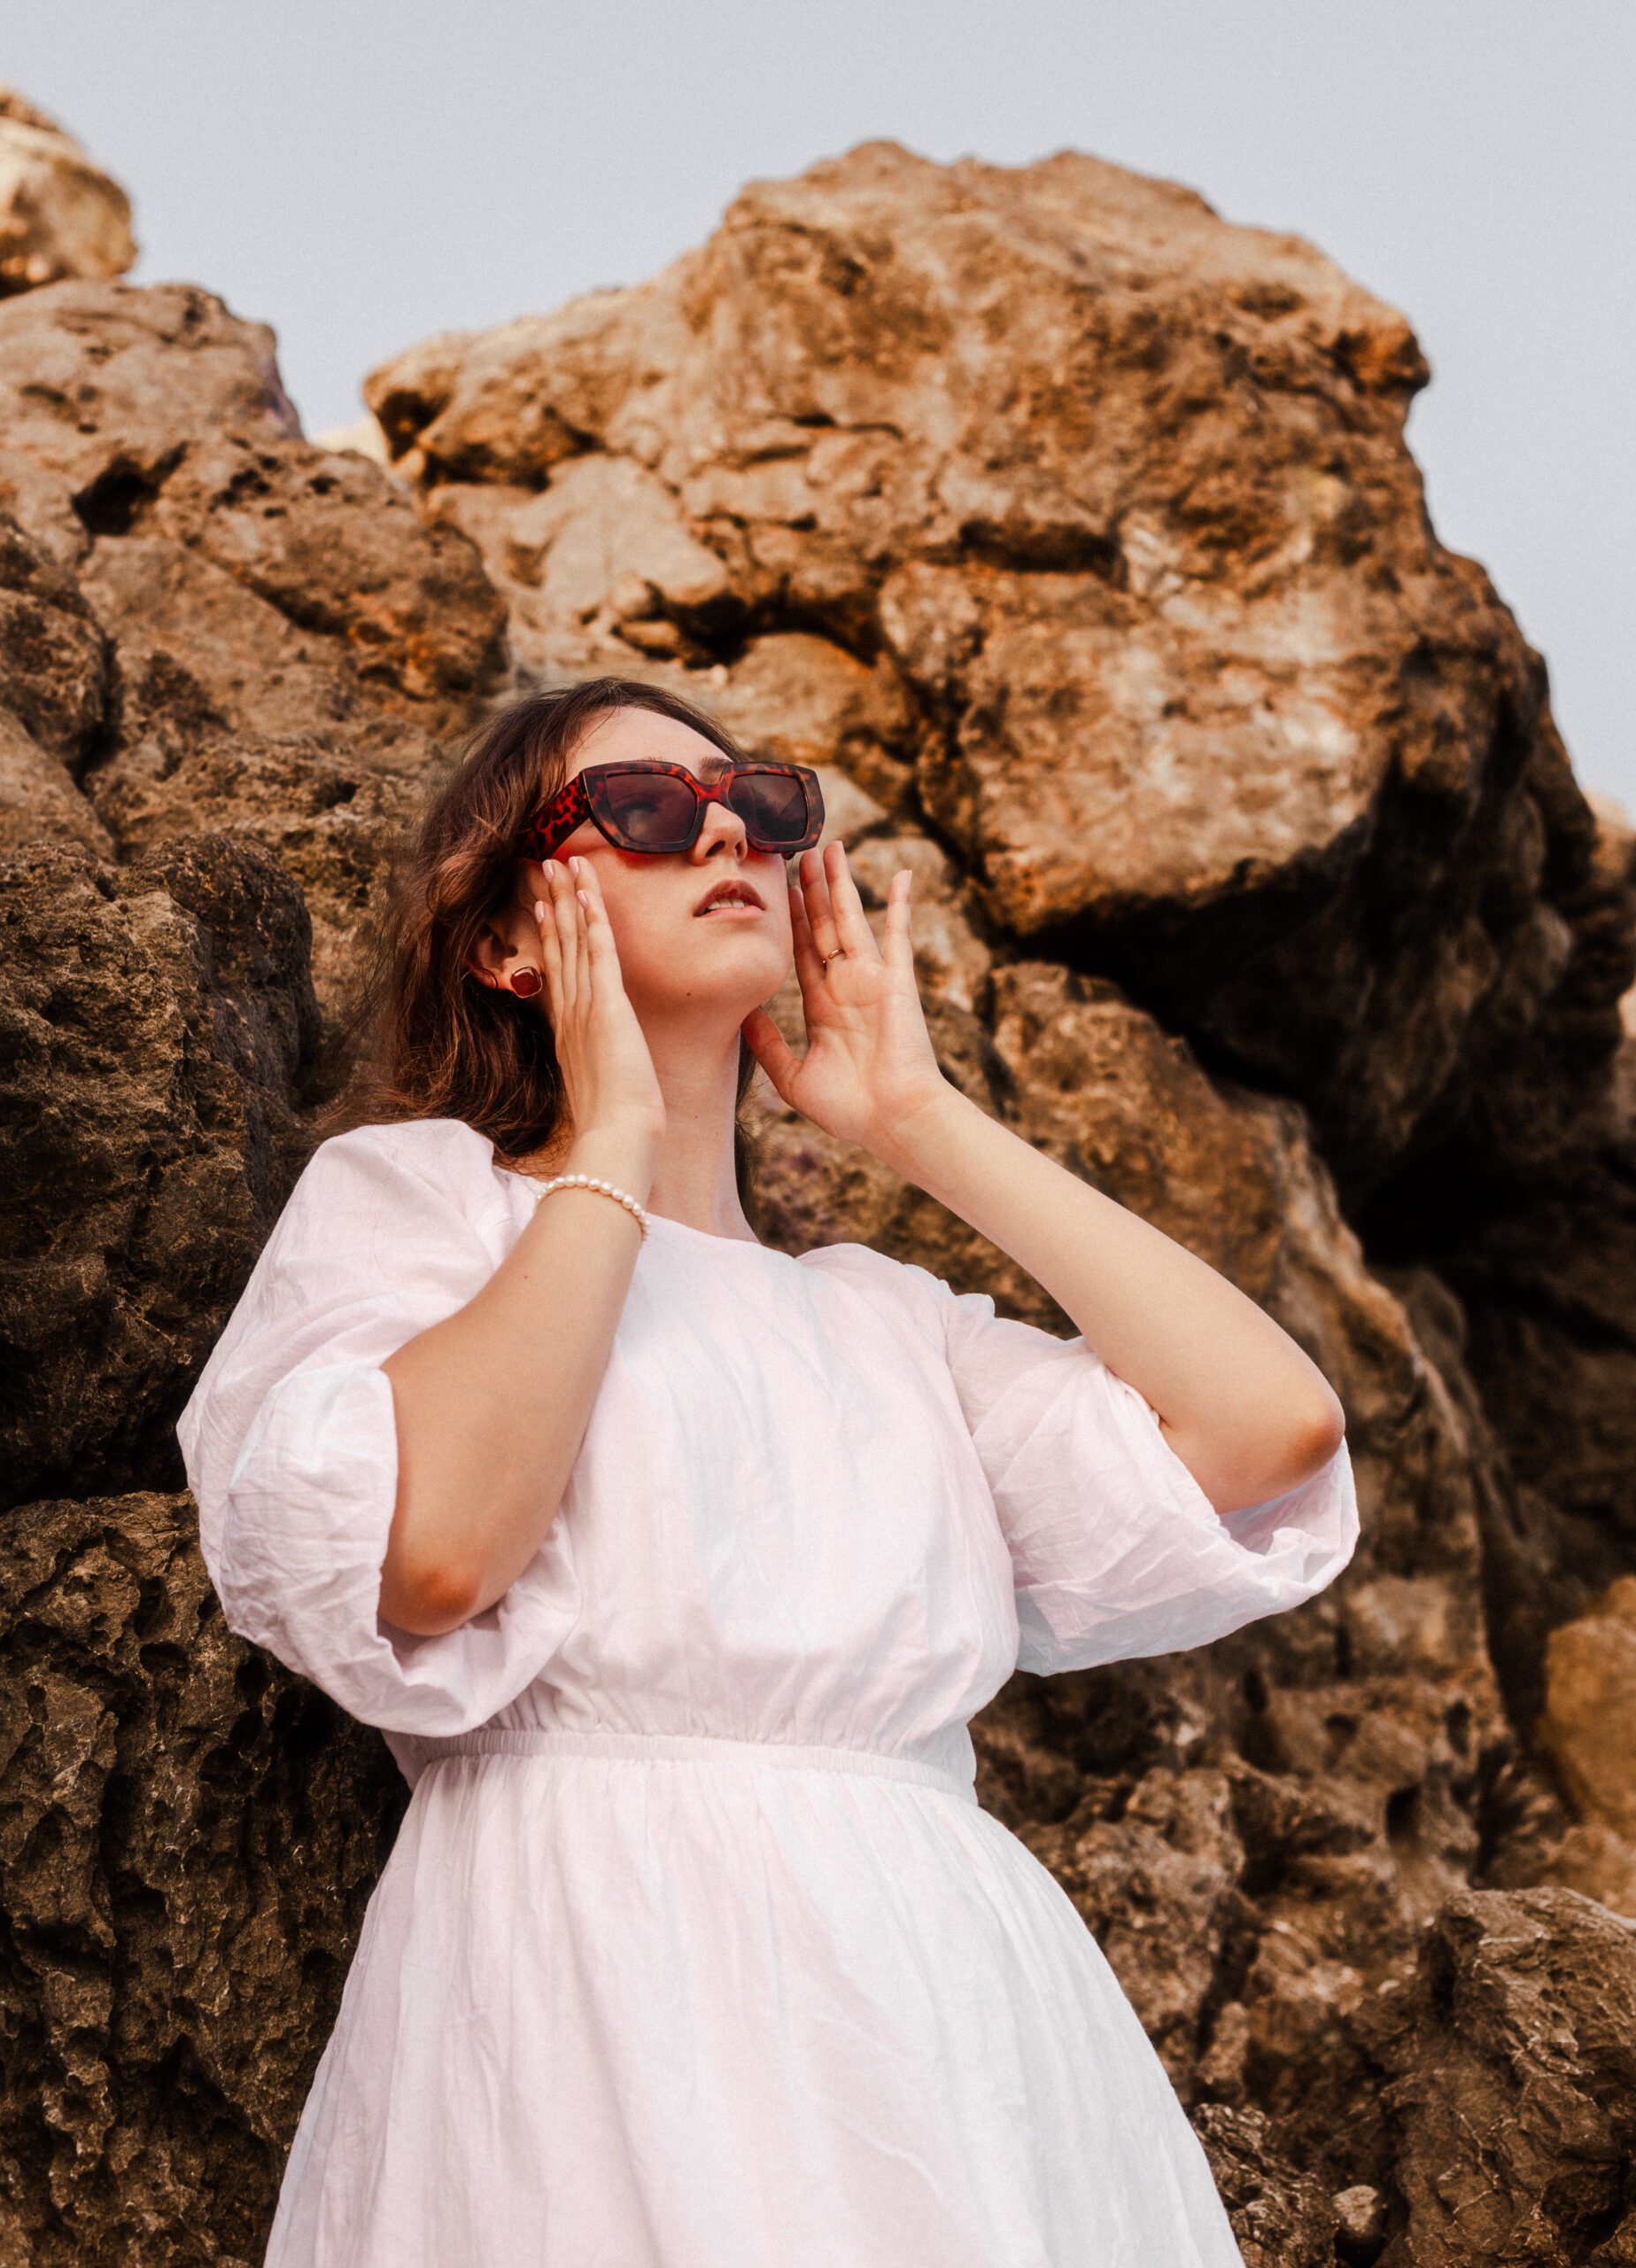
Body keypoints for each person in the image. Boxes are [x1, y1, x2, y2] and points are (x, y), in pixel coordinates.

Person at [179, 676, 1357, 2267]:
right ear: (511, 940)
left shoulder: (879, 1322)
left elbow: (1270, 1434)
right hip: (593, 1994)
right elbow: (435, 1556)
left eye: (761, 802)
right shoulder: (418, 1209)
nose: (725, 827)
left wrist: (917, 1119)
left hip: (947, 2020)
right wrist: (609, 1145)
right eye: (645, 808)